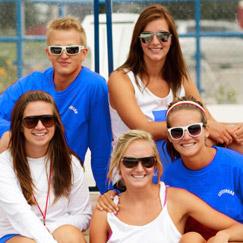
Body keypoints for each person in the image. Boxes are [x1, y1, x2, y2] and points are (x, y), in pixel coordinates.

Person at [108, 4, 243, 170]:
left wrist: (233, 129)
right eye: (147, 36)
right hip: (136, 167)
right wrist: (206, 127)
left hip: (175, 161)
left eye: (163, 36)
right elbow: (143, 128)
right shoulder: (121, 79)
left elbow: (205, 119)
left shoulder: (180, 76)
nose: (155, 42)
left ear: (172, 40)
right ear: (138, 40)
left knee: (237, 139)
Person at [0, 16, 112, 193]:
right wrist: (9, 132)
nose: (64, 55)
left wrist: (108, 191)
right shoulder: (31, 83)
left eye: (72, 49)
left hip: (63, 178)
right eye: (57, 49)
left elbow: (101, 147)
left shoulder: (94, 86)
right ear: (48, 53)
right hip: (25, 174)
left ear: (84, 53)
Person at [90, 129, 243, 243]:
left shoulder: (176, 199)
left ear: (155, 164)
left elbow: (238, 228)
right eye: (130, 162)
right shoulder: (105, 210)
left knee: (192, 239)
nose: (139, 168)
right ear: (118, 165)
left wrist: (224, 235)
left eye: (147, 161)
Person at [0, 91, 91, 243]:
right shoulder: (4, 163)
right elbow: (19, 214)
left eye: (47, 120)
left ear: (56, 123)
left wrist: (51, 229)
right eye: (31, 121)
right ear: (20, 125)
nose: (40, 126)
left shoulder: (70, 162)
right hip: (14, 232)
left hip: (57, 229)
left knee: (71, 237)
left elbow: (83, 215)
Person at [161, 96, 243, 239]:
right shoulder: (169, 176)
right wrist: (110, 196)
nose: (186, 137)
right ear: (169, 137)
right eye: (177, 132)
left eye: (194, 129)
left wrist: (225, 235)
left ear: (206, 131)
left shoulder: (236, 165)